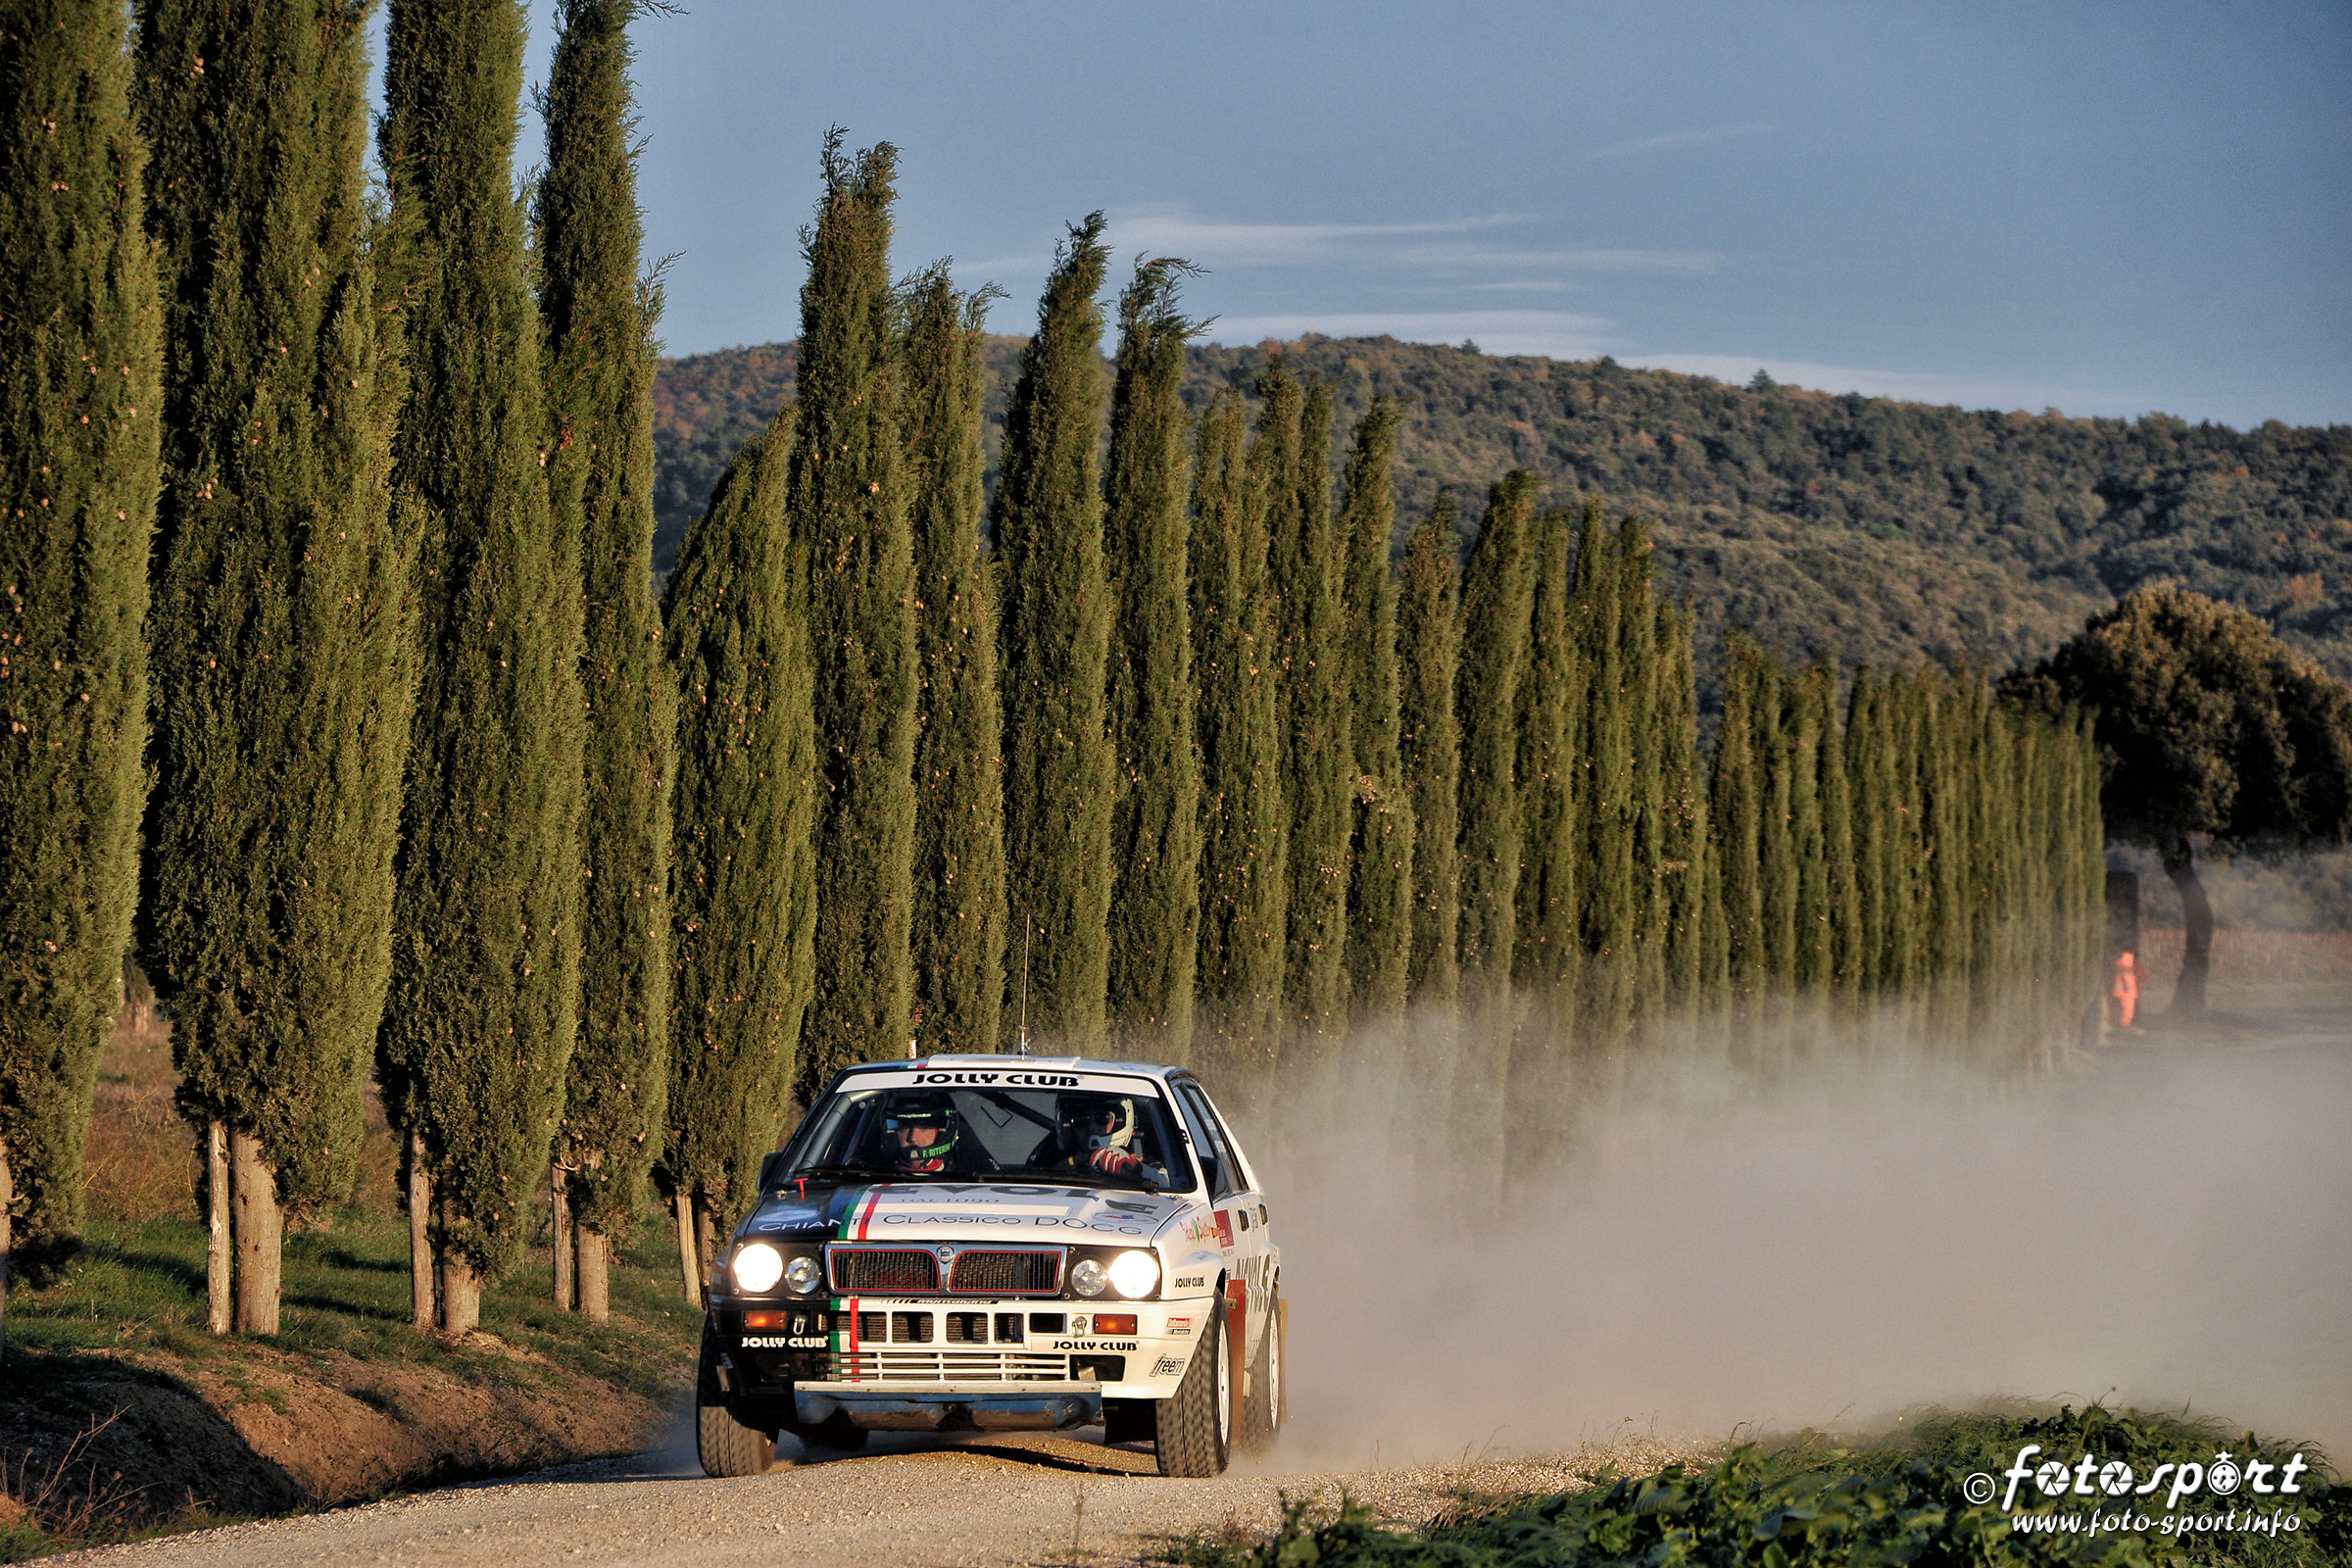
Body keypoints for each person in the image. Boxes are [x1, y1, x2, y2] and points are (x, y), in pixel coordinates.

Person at [1055, 1097, 1162, 1183]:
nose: (1091, 1127)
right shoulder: (1060, 1165)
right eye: (1080, 1120)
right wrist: (1076, 1162)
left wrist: (1137, 1170)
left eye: (1102, 1118)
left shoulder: (1144, 1166)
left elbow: (1169, 1184)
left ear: (1120, 1121)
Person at [883, 1093, 959, 1173]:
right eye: (905, 1128)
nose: (913, 1138)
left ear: (941, 1133)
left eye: (924, 1128)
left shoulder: (968, 1175)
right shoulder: (873, 1172)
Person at [2112, 950, 2140, 1029]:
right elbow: (2127, 979)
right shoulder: (2127, 965)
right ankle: (2124, 1026)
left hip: (2121, 992)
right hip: (2127, 993)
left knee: (2121, 1010)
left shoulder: (2121, 964)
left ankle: (2122, 1025)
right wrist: (2130, 989)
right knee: (2128, 1010)